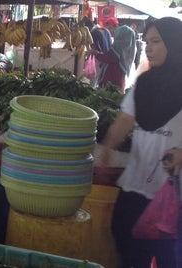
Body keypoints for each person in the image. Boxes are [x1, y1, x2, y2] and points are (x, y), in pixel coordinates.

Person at [100, 17, 182, 268]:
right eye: (146, 42)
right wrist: (106, 149)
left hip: (172, 194)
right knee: (126, 241)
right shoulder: (144, 84)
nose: (148, 48)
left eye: (156, 41)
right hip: (135, 185)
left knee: (169, 257)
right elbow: (125, 120)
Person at [92, 22, 136, 92]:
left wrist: (96, 53)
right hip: (119, 77)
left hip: (111, 78)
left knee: (109, 95)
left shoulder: (118, 47)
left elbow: (107, 57)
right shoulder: (128, 48)